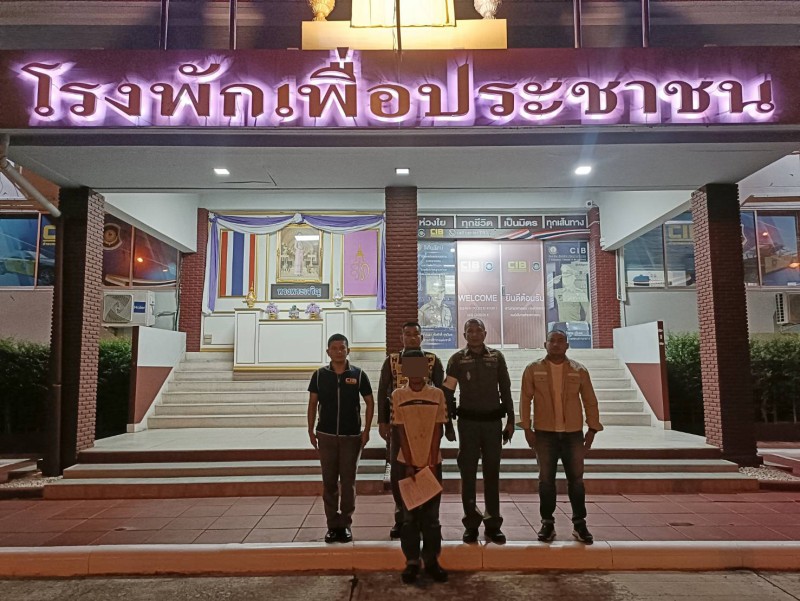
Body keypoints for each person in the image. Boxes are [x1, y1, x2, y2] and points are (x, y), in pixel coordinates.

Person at [519, 328, 603, 545]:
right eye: (552, 340)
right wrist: (526, 429)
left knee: (576, 481)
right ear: (545, 344)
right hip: (544, 435)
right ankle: (547, 523)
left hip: (573, 435)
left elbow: (590, 401)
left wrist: (592, 429)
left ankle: (579, 524)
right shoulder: (533, 369)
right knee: (546, 481)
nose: (556, 344)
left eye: (560, 340)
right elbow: (525, 400)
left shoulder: (579, 370)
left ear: (567, 345)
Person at [377, 321, 454, 539]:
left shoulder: (432, 360)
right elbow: (383, 390)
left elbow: (442, 393)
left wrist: (447, 425)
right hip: (400, 424)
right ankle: (402, 517)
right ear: (401, 337)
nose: (412, 338)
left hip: (427, 425)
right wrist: (383, 421)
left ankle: (429, 519)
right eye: (407, 334)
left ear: (421, 338)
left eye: (415, 334)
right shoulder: (392, 360)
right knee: (399, 471)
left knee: (429, 469)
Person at [443, 318, 515, 544]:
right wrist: (447, 424)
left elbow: (505, 389)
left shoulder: (497, 357)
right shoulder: (456, 359)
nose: (474, 334)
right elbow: (447, 393)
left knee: (492, 473)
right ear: (464, 335)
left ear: (485, 333)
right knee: (468, 474)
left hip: (493, 424)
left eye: (478, 330)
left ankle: (493, 524)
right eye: (470, 331)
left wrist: (511, 421)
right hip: (468, 425)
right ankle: (471, 523)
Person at [307, 333, 375, 544]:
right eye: (334, 348)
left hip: (351, 436)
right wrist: (310, 429)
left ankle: (345, 524)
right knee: (329, 482)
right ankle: (331, 525)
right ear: (328, 351)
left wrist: (366, 430)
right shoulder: (319, 375)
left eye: (342, 348)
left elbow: (370, 402)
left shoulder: (358, 374)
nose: (338, 351)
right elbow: (312, 403)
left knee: (348, 482)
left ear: (348, 350)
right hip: (326, 435)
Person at [391, 350, 449, 584]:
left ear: (426, 369)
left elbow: (437, 429)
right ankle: (412, 562)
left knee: (432, 518)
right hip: (406, 464)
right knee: (409, 518)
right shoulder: (398, 395)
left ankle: (431, 560)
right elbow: (401, 431)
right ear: (404, 370)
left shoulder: (437, 394)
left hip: (432, 463)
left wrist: (432, 462)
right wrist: (409, 463)